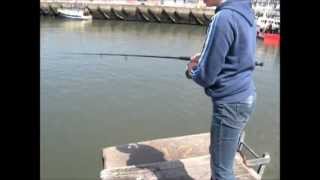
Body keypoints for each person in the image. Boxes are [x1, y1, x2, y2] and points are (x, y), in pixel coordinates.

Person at [186, 0, 257, 179]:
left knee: (221, 171)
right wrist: (206, 56)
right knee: (220, 157)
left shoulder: (223, 17)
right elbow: (238, 54)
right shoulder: (244, 11)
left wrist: (192, 70)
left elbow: (206, 77)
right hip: (245, 95)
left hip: (230, 104)